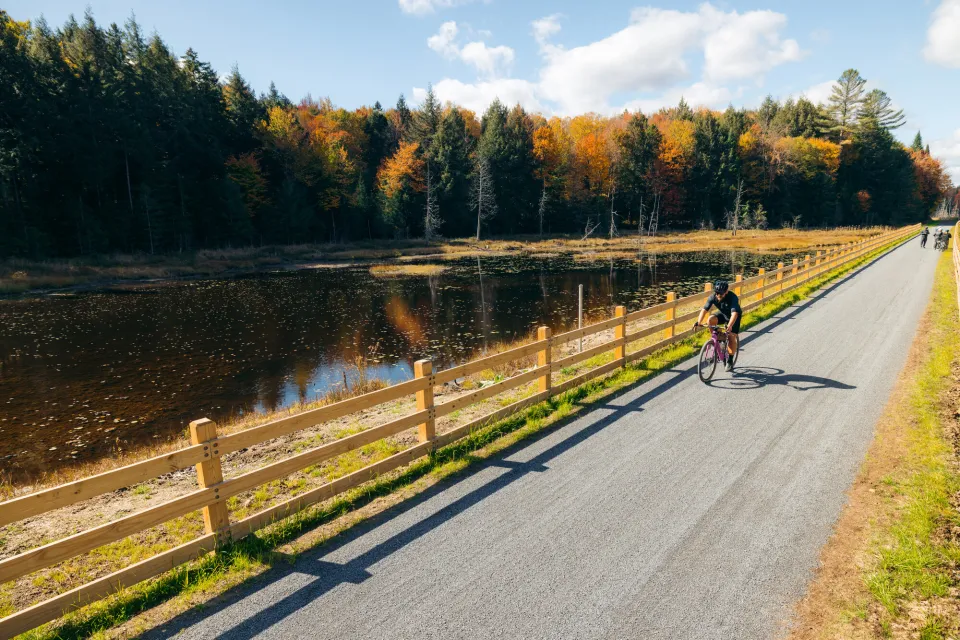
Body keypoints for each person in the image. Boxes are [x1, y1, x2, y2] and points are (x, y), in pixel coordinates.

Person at [693, 279, 741, 372]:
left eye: (721, 294)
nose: (719, 296)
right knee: (710, 320)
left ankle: (730, 360)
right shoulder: (713, 297)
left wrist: (730, 326)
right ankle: (719, 337)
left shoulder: (732, 297)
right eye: (717, 293)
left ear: (726, 291)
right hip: (723, 314)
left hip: (734, 317)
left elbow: (734, 314)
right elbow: (704, 309)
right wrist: (698, 322)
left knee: (731, 337)